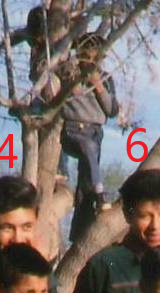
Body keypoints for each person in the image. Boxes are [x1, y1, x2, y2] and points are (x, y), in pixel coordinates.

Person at [61, 32, 119, 243]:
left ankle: (79, 234)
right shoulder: (67, 73)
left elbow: (112, 110)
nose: (90, 61)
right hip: (74, 128)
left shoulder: (105, 78)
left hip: (96, 131)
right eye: (86, 55)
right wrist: (76, 79)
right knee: (88, 151)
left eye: (95, 57)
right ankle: (101, 193)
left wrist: (98, 85)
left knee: (86, 182)